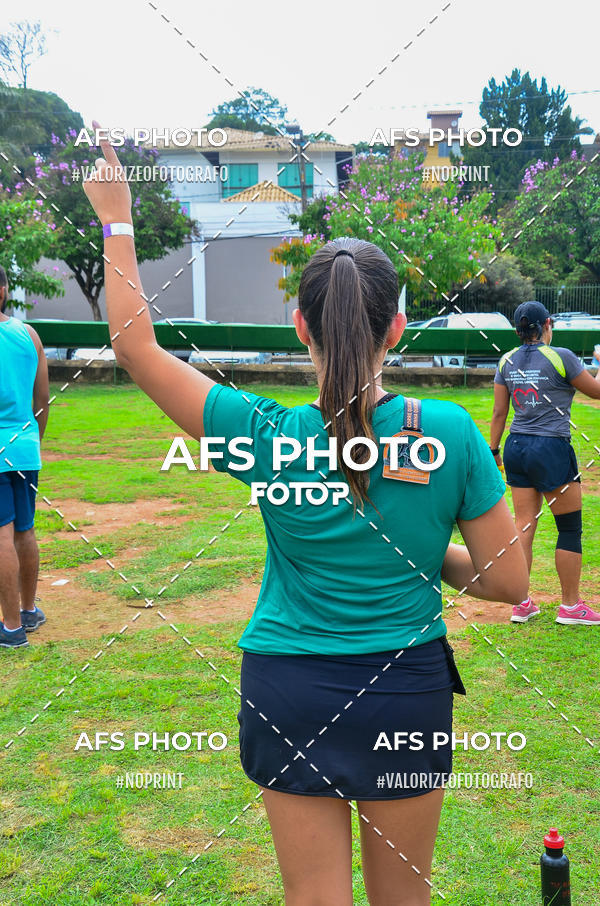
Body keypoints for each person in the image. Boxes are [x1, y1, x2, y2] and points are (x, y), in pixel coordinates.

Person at [83, 137, 529, 906]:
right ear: (396, 328)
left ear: (300, 325)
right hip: (404, 690)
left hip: (288, 689)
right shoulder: (451, 432)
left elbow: (135, 346)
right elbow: (507, 582)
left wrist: (116, 217)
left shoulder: (266, 434)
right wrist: (423, 554)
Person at [491, 300, 600, 626]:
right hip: (551, 448)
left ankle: (521, 603)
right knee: (569, 527)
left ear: (517, 330)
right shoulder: (561, 356)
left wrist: (494, 450)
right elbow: (596, 392)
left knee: (524, 524)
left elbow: (499, 412)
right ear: (547, 324)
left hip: (516, 447)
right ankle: (570, 607)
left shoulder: (506, 360)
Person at [0, 266, 49, 648]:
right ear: (4, 290)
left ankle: (12, 628)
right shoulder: (28, 335)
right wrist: (34, 440)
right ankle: (28, 610)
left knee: (2, 534)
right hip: (25, 448)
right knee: (25, 530)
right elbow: (42, 399)